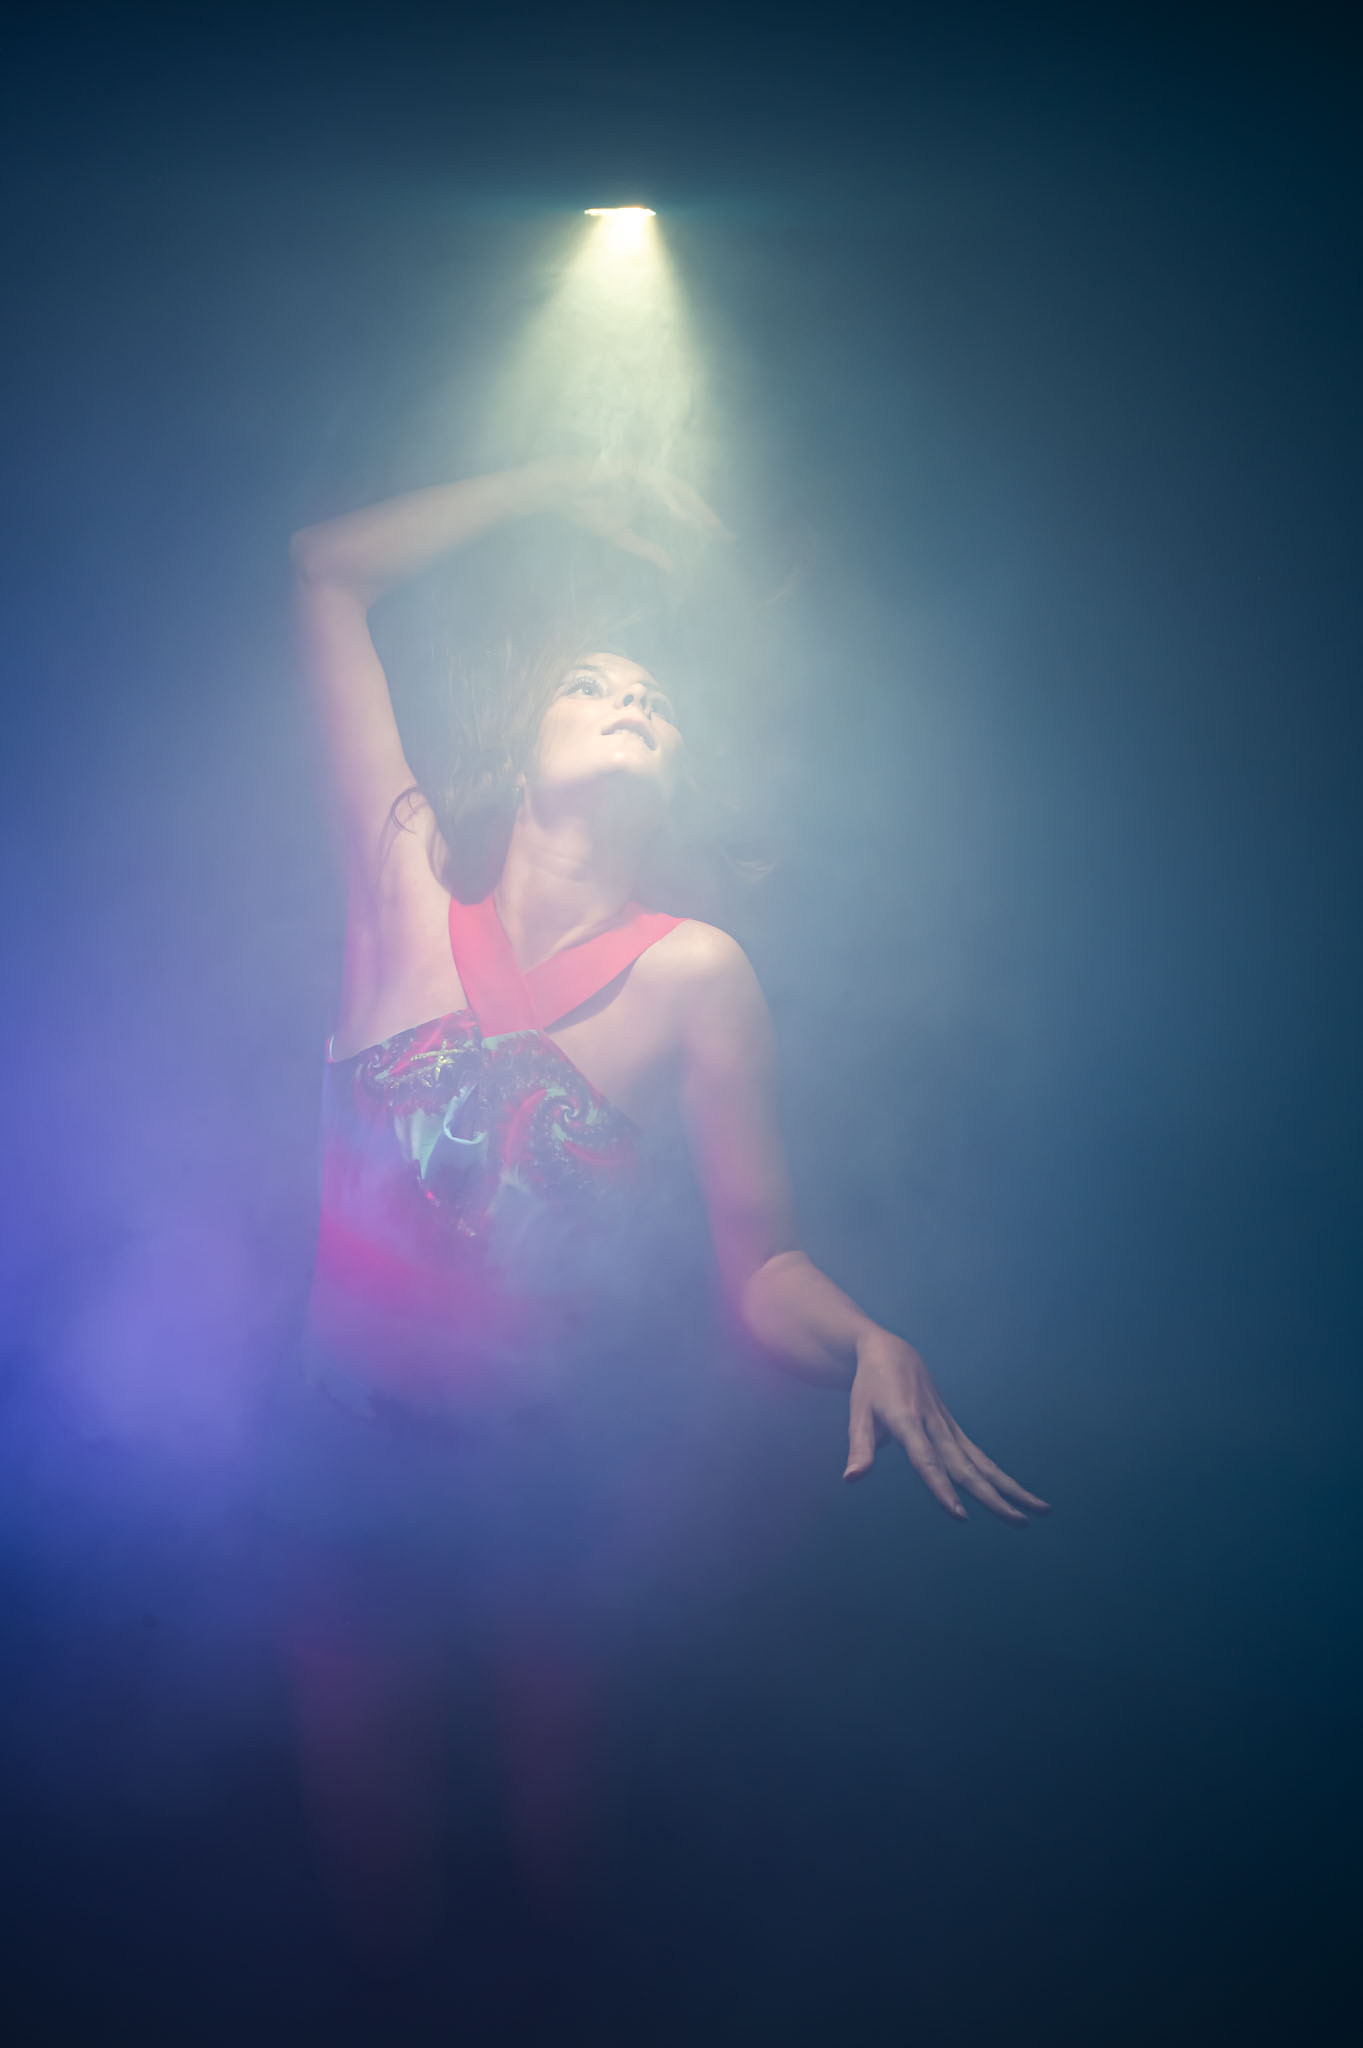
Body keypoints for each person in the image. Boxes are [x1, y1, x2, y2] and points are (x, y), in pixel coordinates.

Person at [281, 457, 1049, 1966]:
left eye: (656, 698)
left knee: (563, 1886)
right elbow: (324, 568)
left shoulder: (698, 971)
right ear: (525, 739)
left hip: (535, 1477)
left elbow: (759, 1266)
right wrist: (562, 480)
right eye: (591, 682)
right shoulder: (402, 886)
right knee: (375, 1905)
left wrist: (866, 1335)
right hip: (342, 1456)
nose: (630, 700)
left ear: (681, 774)